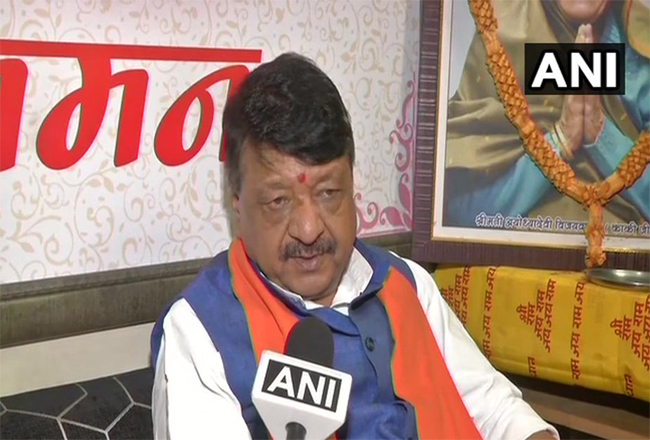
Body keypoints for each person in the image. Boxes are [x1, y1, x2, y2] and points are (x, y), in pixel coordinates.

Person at [150, 52, 559, 439]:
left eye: (328, 193)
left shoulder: (408, 283)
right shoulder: (200, 331)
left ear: (353, 186)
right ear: (238, 204)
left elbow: (493, 409)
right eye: (278, 201)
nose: (309, 229)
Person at [443, 0, 649, 229]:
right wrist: (560, 141)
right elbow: (459, 209)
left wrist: (601, 134)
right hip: (515, 249)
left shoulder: (640, 41)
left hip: (615, 249)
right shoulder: (501, 32)